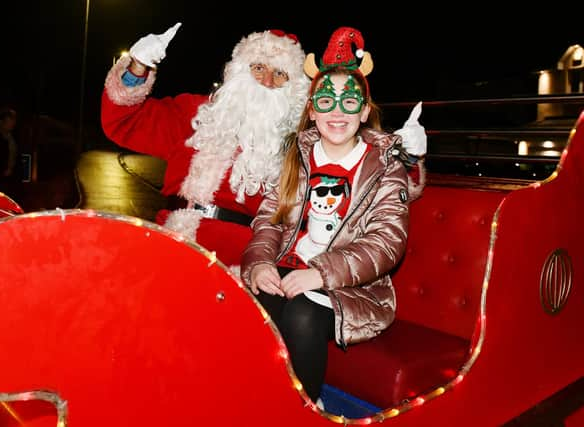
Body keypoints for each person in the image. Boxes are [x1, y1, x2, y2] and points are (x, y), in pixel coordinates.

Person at [101, 23, 425, 270]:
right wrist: (137, 66)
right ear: (239, 72)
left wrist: (408, 157)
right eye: (258, 69)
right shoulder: (196, 113)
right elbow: (124, 121)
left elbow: (361, 177)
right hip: (170, 241)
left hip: (239, 255)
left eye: (280, 75)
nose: (267, 82)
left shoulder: (300, 145)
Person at [240, 27, 411, 407]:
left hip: (351, 287)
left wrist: (320, 273)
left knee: (301, 314)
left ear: (364, 111)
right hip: (287, 267)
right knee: (250, 304)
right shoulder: (296, 157)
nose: (337, 112)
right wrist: (259, 263)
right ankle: (255, 402)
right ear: (312, 109)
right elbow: (269, 220)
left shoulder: (385, 167)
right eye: (326, 101)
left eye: (349, 102)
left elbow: (387, 242)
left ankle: (305, 409)